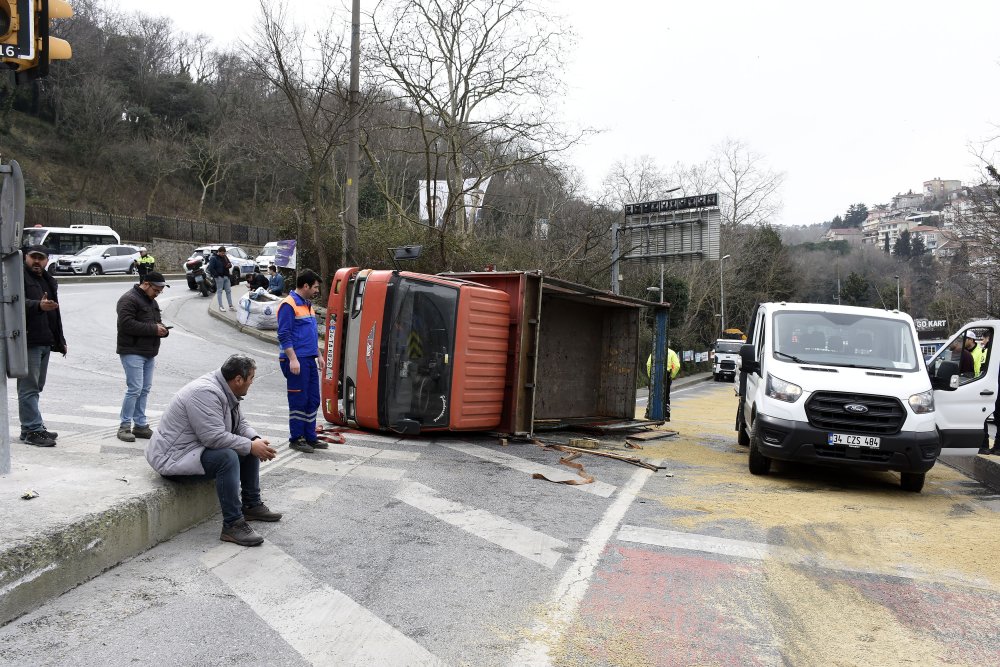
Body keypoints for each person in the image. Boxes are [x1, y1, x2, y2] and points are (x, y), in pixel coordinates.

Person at [144, 354, 281, 547]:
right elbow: (213, 437)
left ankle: (251, 505)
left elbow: (239, 424)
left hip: (193, 450)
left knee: (248, 444)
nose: (252, 383)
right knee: (229, 456)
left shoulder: (226, 389)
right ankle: (233, 524)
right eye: (251, 379)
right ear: (238, 379)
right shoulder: (205, 393)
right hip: (173, 458)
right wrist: (250, 446)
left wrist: (255, 440)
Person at [18, 246, 67, 447]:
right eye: (33, 257)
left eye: (41, 258)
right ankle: (32, 430)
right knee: (28, 388)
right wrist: (37, 305)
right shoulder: (17, 276)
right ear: (26, 258)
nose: (37, 262)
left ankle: (29, 427)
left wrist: (60, 340)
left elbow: (54, 314)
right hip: (28, 340)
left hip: (45, 340)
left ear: (47, 260)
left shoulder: (47, 279)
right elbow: (13, 303)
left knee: (36, 386)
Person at [116, 271, 171, 442]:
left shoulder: (151, 301)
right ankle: (124, 426)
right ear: (146, 284)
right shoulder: (128, 299)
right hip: (132, 351)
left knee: (144, 389)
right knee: (134, 389)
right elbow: (126, 324)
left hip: (149, 352)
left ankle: (140, 425)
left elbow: (156, 321)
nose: (157, 293)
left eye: (160, 291)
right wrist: (154, 329)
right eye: (156, 289)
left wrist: (163, 330)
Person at [277, 269, 325, 453]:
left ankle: (310, 436)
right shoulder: (288, 305)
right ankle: (296, 438)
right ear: (305, 286)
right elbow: (283, 334)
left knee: (313, 399)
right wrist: (292, 359)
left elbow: (311, 335)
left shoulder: (307, 305)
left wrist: (319, 355)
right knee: (299, 400)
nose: (317, 291)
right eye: (315, 287)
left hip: (309, 359)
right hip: (296, 361)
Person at [644, 346, 680, 421]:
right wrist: (671, 375)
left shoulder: (654, 351)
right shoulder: (672, 353)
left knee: (652, 394)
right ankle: (666, 415)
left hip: (654, 373)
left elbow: (648, 364)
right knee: (666, 395)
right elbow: (677, 366)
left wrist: (650, 376)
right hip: (666, 374)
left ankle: (648, 412)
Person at [207, 245, 234, 312]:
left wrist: (229, 265)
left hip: (226, 276)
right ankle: (221, 306)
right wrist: (216, 275)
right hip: (219, 277)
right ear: (218, 252)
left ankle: (230, 306)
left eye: (224, 253)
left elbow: (229, 263)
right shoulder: (214, 258)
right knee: (219, 291)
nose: (223, 254)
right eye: (222, 253)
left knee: (228, 291)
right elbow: (211, 268)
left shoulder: (225, 257)